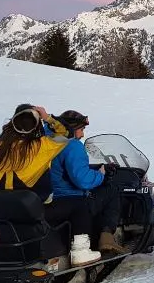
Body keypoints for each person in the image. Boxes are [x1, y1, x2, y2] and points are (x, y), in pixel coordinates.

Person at [0, 105, 102, 266]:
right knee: (79, 204)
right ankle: (81, 251)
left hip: (0, 211)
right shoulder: (39, 147)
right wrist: (48, 117)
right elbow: (66, 134)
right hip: (31, 210)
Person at [49, 110, 129, 260]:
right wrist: (101, 175)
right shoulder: (73, 146)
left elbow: (63, 170)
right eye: (81, 129)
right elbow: (83, 180)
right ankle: (106, 238)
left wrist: (95, 168)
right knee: (111, 191)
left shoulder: (50, 143)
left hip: (53, 198)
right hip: (72, 198)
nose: (82, 134)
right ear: (72, 129)